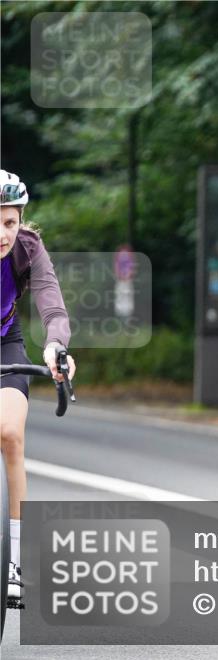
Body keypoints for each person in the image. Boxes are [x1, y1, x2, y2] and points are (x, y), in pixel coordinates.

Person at [0, 169, 77, 603]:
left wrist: (55, 347)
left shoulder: (27, 248)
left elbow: (52, 304)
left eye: (10, 222)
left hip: (4, 342)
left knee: (10, 434)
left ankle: (13, 562)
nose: (3, 233)